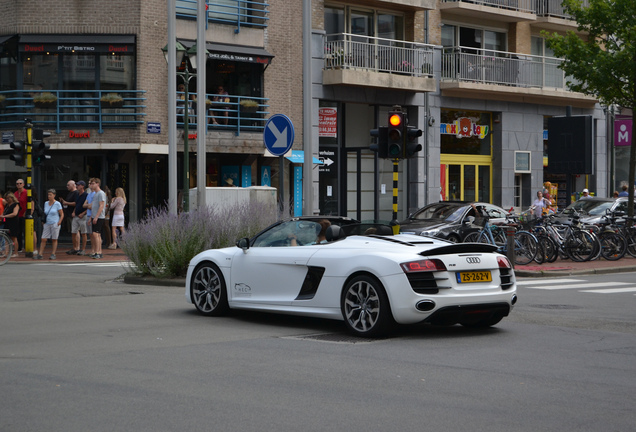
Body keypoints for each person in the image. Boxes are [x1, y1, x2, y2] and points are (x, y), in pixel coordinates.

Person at [35, 189, 64, 260]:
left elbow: (62, 214)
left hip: (55, 223)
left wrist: (59, 221)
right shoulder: (46, 203)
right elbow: (45, 213)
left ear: (54, 195)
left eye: (51, 195)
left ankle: (53, 254)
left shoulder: (57, 204)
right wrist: (43, 222)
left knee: (54, 239)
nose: (49, 196)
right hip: (47, 223)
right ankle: (40, 254)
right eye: (48, 195)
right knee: (43, 239)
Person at [68, 181, 88, 255]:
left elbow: (88, 206)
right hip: (76, 215)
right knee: (74, 232)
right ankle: (75, 248)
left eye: (78, 185)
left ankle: (83, 249)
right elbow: (77, 204)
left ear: (82, 186)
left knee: (83, 233)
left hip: (82, 216)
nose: (77, 186)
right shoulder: (77, 194)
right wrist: (74, 212)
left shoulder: (86, 195)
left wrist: (83, 213)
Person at [89, 178, 106, 259]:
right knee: (97, 234)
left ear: (97, 184)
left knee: (96, 234)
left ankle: (98, 251)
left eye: (93, 183)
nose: (91, 185)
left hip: (99, 216)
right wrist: (91, 218)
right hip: (95, 216)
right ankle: (98, 251)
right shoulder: (95, 194)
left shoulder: (101, 193)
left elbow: (101, 206)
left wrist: (96, 217)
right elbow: (94, 207)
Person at [2, 192, 20, 258]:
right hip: (7, 222)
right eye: (6, 198)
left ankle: (16, 252)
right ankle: (6, 253)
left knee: (14, 237)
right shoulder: (7, 205)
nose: (7, 200)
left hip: (13, 222)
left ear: (12, 198)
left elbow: (14, 213)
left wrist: (5, 216)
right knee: (7, 237)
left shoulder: (16, 204)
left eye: (8, 198)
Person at [14, 178, 27, 252]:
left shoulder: (26, 192)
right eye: (17, 184)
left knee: (25, 232)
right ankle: (19, 248)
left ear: (23, 184)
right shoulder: (15, 193)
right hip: (17, 215)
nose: (18, 185)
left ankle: (26, 247)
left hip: (24, 215)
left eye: (20, 183)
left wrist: (26, 212)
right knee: (18, 232)